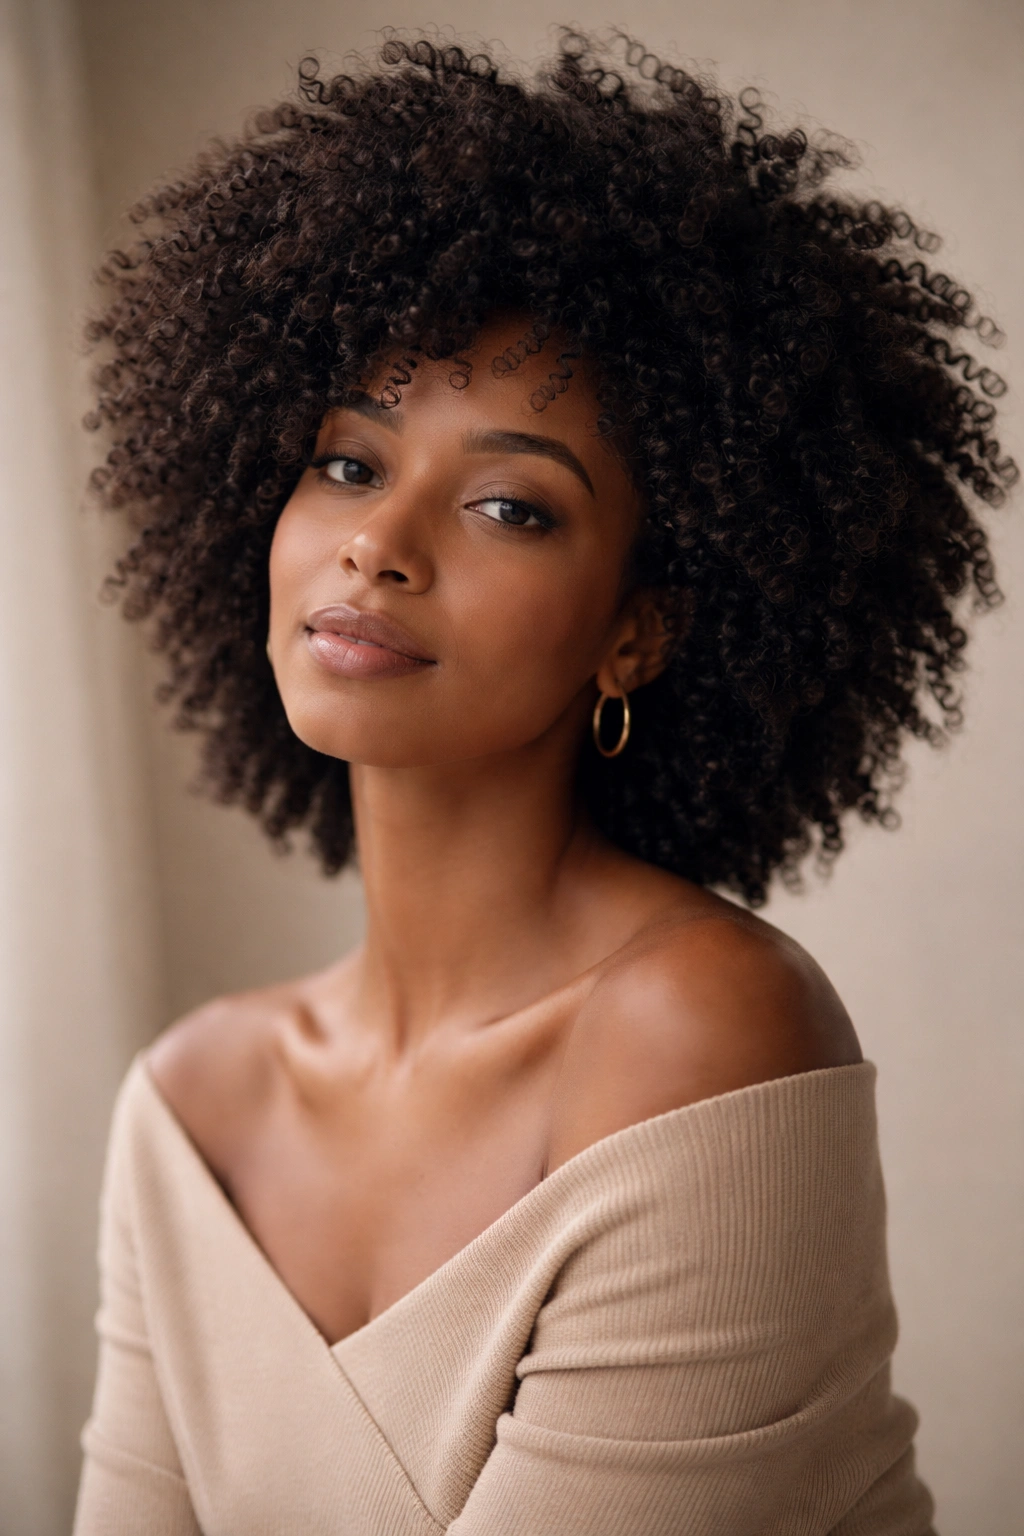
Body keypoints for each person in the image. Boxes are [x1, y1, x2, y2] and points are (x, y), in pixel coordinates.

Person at [73, 31, 1014, 1535]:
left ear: (635, 631)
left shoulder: (703, 1026)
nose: (379, 545)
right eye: (348, 462)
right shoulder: (192, 1105)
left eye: (512, 503)